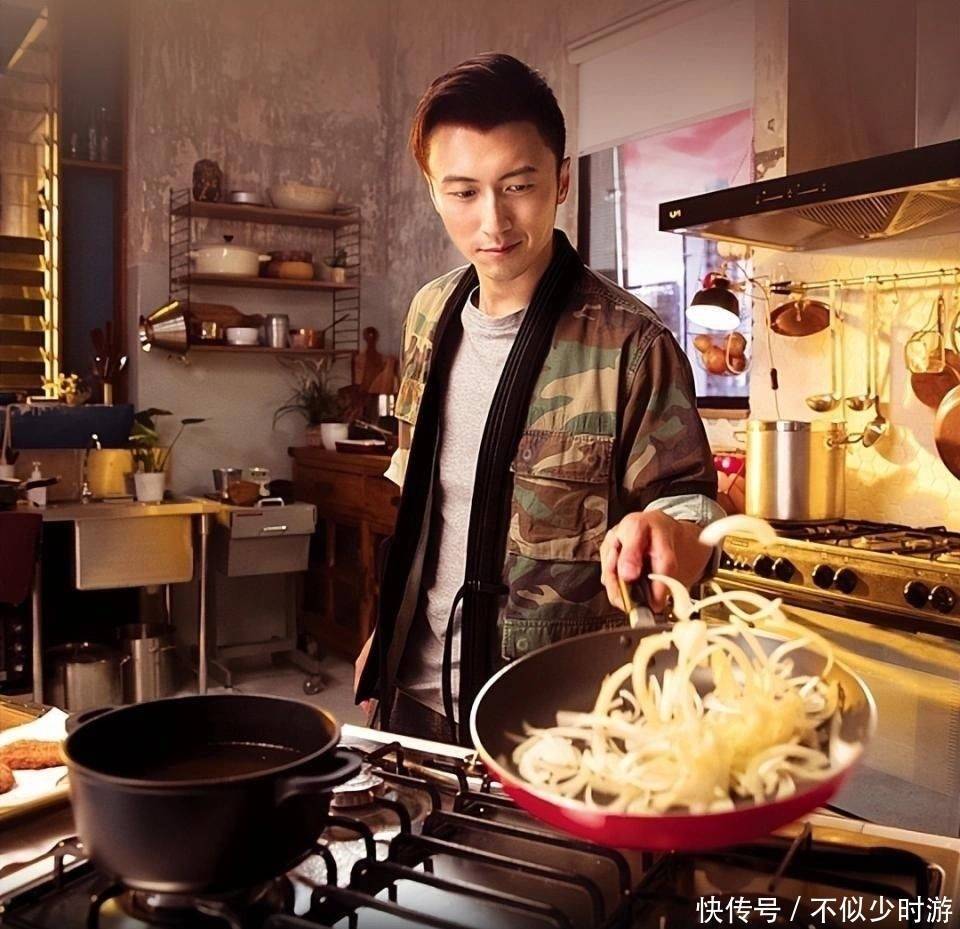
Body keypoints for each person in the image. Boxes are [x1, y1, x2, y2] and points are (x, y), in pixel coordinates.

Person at [355, 53, 723, 744]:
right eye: (463, 192)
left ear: (561, 181)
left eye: (518, 186)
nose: (492, 221)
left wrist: (669, 531)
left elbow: (691, 505)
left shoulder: (632, 343)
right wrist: (388, 634)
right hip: (414, 695)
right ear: (433, 190)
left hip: (556, 718)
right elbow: (425, 505)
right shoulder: (428, 313)